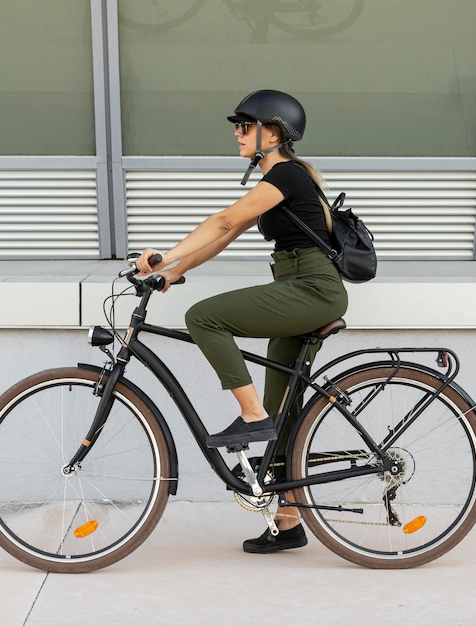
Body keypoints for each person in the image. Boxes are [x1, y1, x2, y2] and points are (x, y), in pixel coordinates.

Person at [136, 89, 348, 553]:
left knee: (204, 317)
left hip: (311, 289)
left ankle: (249, 415)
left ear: (272, 132)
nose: (237, 133)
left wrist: (161, 255)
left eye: (244, 125)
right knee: (284, 414)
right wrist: (174, 272)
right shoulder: (277, 182)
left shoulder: (287, 175)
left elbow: (223, 220)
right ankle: (289, 521)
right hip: (298, 287)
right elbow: (225, 236)